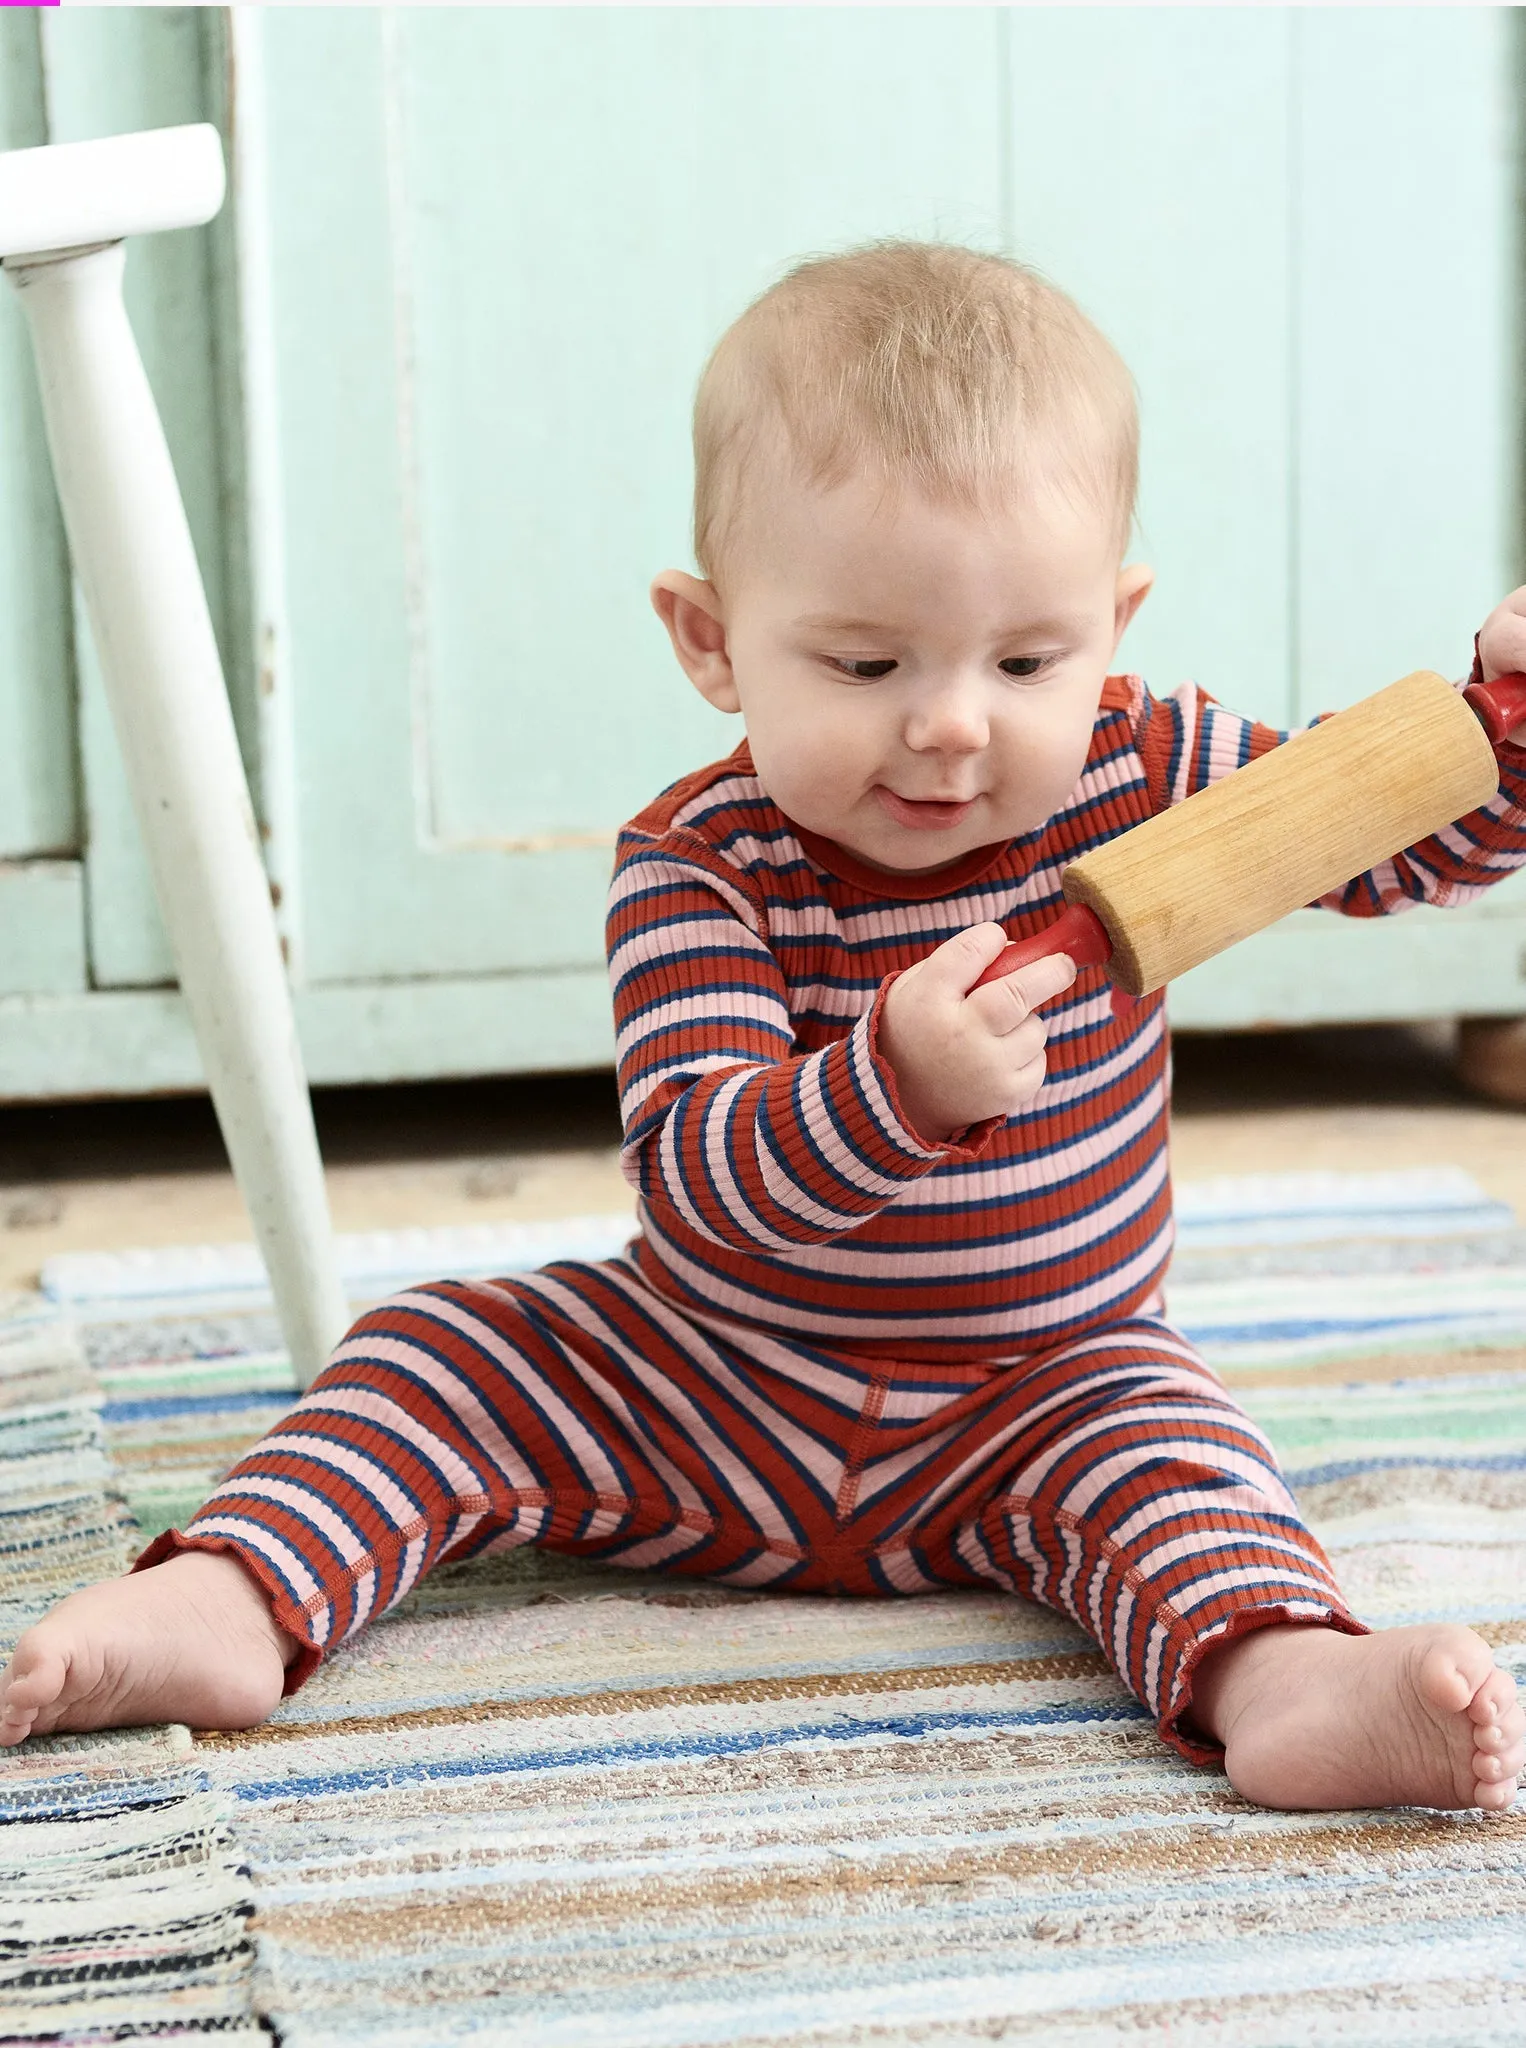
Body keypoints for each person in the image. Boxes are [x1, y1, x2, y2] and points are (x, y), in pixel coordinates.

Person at [5, 241, 1525, 1813]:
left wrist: (1496, 730)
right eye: (864, 663)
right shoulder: (700, 863)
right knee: (437, 1349)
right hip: (714, 1382)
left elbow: (1386, 838)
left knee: (1188, 1458)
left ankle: (1282, 1676)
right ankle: (237, 1594)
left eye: (1026, 659)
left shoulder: (1141, 771)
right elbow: (696, 1178)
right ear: (711, 640)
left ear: (1112, 622)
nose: (950, 720)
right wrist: (888, 1090)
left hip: (1041, 1397)